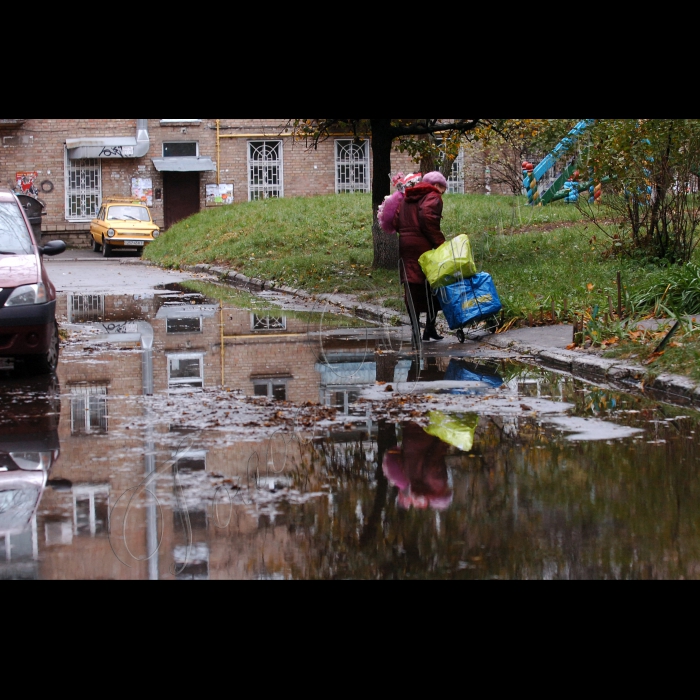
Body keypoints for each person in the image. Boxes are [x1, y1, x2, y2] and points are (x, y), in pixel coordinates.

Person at [392, 171, 448, 343]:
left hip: (405, 246)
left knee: (411, 288)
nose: (443, 192)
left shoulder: (406, 198)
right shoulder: (433, 197)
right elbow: (426, 217)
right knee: (434, 284)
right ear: (436, 185)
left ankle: (418, 331)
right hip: (422, 245)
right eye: (443, 187)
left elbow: (395, 221)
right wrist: (439, 242)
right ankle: (429, 327)